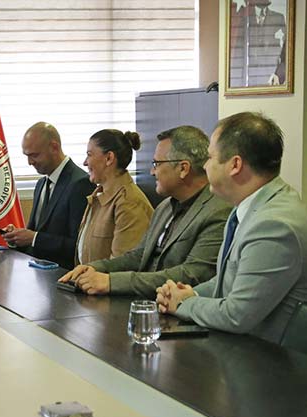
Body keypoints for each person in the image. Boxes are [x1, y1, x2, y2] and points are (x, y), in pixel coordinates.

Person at [156, 112, 307, 344]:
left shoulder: (274, 225)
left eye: (210, 158)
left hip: (275, 367)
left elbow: (238, 314)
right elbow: (231, 281)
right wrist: (191, 293)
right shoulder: (250, 206)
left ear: (235, 165)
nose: (205, 165)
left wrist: (183, 303)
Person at [60, 126, 231, 297]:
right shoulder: (165, 207)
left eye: (157, 164)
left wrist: (111, 281)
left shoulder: (217, 212)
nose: (152, 171)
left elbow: (191, 274)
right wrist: (97, 268)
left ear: (183, 169)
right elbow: (139, 256)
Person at [2, 122, 94, 269]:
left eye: (35, 155)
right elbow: (35, 234)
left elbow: (79, 245)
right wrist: (17, 238)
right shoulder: (40, 184)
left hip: (63, 276)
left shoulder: (80, 183)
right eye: (27, 156)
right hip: (36, 273)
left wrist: (34, 238)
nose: (30, 162)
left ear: (54, 147)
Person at [75, 129, 153, 264]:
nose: (85, 162)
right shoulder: (98, 196)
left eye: (89, 155)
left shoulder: (130, 202)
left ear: (109, 158)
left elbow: (122, 265)